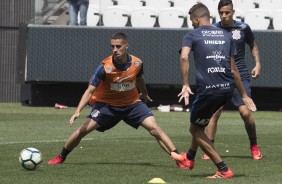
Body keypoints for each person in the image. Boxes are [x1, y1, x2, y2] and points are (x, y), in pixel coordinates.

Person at [48, 32, 183, 168]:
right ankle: (61, 156)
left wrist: (144, 93)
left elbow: (140, 79)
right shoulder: (104, 67)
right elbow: (90, 90)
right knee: (82, 130)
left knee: (155, 129)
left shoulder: (137, 63)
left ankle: (178, 159)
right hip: (108, 107)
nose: (115, 50)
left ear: (126, 46)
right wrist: (78, 111)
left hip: (132, 105)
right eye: (112, 46)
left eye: (118, 46)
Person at [170, 3, 257, 178]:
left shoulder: (192, 35)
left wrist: (185, 84)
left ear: (196, 19)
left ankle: (223, 169)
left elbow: (184, 56)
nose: (192, 24)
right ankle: (189, 158)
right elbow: (234, 70)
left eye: (191, 21)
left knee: (195, 129)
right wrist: (243, 95)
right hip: (226, 89)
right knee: (199, 123)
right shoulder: (226, 35)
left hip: (208, 91)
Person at [201, 0, 262, 161]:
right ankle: (210, 148)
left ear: (233, 12)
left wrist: (257, 64)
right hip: (220, 75)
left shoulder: (243, 28)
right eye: (221, 12)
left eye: (227, 12)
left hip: (240, 74)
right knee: (214, 113)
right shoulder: (213, 29)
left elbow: (253, 45)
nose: (224, 15)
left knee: (245, 112)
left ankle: (254, 146)